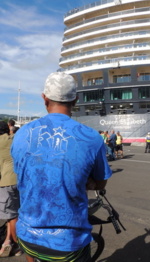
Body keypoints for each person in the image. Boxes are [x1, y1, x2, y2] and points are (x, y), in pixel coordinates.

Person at [11, 72, 112, 262]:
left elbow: (23, 174)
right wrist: (88, 182)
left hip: (27, 235)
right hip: (68, 243)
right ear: (76, 99)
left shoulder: (21, 134)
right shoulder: (91, 138)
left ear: (44, 98)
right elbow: (101, 183)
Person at [0, 121, 21, 257]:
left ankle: (18, 246)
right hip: (20, 179)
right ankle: (8, 241)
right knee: (14, 214)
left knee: (11, 216)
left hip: (6, 181)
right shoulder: (15, 138)